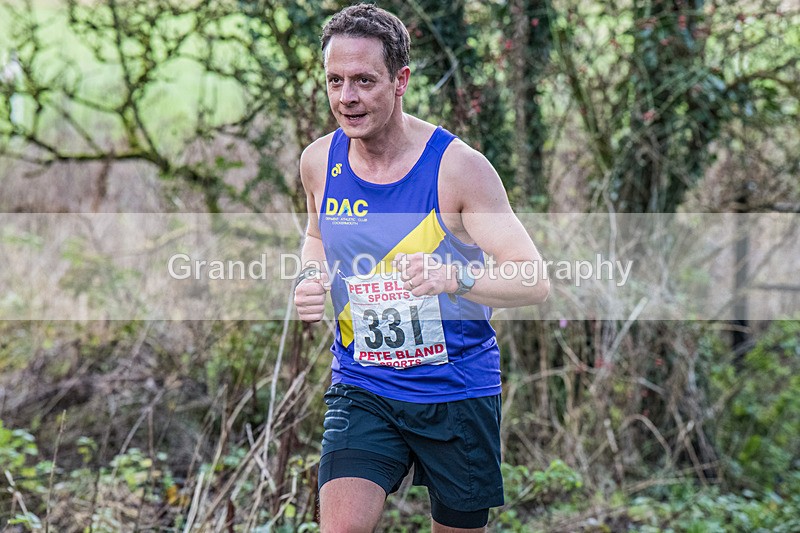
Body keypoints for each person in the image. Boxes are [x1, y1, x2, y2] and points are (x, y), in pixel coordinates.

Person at [294, 4, 549, 531]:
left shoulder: (459, 169)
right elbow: (317, 236)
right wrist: (310, 277)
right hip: (362, 384)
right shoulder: (319, 161)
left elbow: (533, 278)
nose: (347, 97)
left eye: (364, 80)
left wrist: (457, 278)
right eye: (335, 80)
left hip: (456, 391)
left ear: (400, 80)